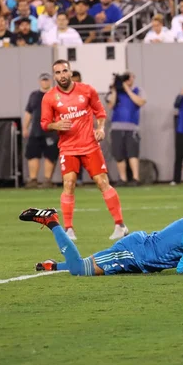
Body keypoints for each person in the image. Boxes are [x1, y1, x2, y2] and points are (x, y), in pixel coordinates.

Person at [41, 59, 128, 241]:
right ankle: (69, 229)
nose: (62, 75)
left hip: (89, 145)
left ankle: (120, 225)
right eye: (57, 72)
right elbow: (44, 124)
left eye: (65, 71)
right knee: (69, 183)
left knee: (102, 182)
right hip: (67, 147)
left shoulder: (87, 90)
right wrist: (56, 124)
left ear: (70, 72)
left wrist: (101, 128)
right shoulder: (49, 97)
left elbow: (100, 112)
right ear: (54, 76)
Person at [20, 208, 183, 276]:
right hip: (134, 254)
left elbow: (182, 248)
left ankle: (53, 266)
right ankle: (51, 221)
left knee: (88, 267)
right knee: (80, 269)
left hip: (139, 253)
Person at [106, 71, 147, 186]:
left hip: (132, 127)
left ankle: (135, 178)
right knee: (119, 154)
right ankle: (123, 178)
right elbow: (110, 105)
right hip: (116, 127)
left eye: (130, 78)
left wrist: (127, 90)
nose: (128, 80)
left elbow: (140, 102)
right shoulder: (116, 92)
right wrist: (115, 90)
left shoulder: (138, 90)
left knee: (132, 153)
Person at [22, 73, 59, 189]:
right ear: (39, 81)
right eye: (43, 80)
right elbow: (28, 112)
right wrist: (25, 127)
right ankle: (33, 179)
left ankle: (47, 180)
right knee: (33, 155)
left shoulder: (56, 95)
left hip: (51, 131)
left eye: (47, 80)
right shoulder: (34, 95)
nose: (45, 82)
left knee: (50, 155)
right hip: (36, 130)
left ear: (50, 81)